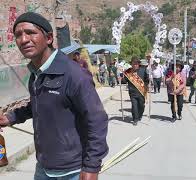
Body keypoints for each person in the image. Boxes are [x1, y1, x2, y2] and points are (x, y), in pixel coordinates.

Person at [0, 12, 108, 180]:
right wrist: (11, 117)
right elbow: (39, 103)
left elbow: (96, 120)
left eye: (30, 32)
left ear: (49, 38)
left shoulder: (74, 74)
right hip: (44, 166)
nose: (23, 39)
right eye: (18, 35)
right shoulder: (36, 73)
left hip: (72, 170)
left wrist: (92, 167)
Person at [122, 57, 149, 126]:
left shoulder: (143, 70)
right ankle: (135, 119)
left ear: (138, 64)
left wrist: (147, 85)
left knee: (141, 106)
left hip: (141, 92)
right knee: (134, 106)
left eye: (136, 64)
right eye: (133, 64)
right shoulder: (128, 72)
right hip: (132, 92)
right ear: (131, 64)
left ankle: (140, 115)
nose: (135, 65)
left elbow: (146, 80)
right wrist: (121, 78)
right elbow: (124, 81)